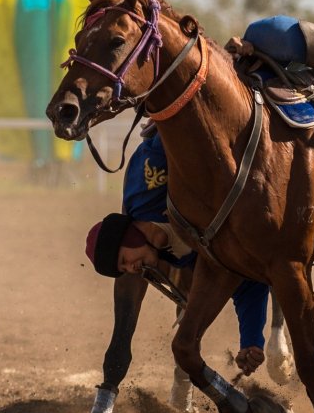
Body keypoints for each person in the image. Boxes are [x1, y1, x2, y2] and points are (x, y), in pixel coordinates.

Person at [85, 129, 271, 376]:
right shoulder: (182, 257)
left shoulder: (145, 189)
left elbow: (177, 136)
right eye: (125, 270)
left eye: (124, 261)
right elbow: (246, 279)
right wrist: (252, 340)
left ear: (128, 238)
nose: (132, 270)